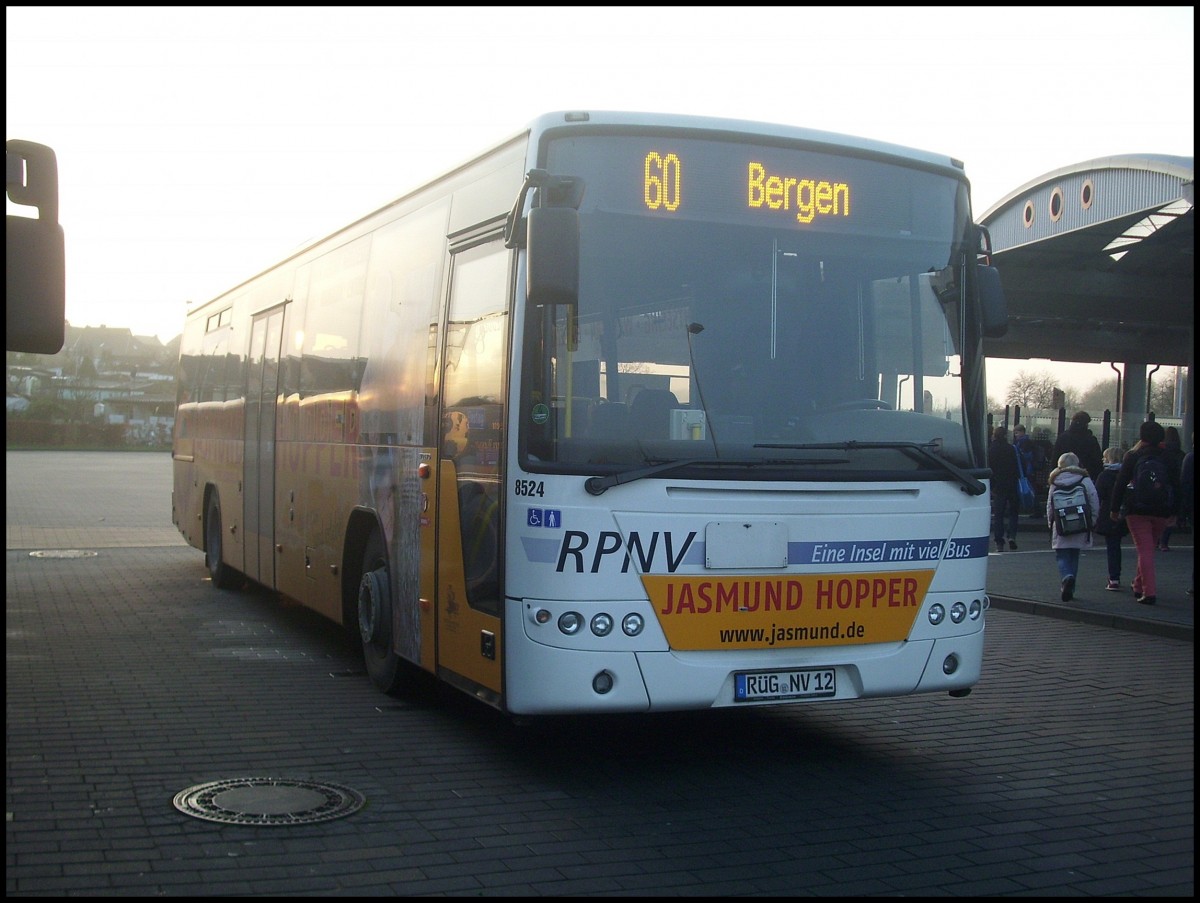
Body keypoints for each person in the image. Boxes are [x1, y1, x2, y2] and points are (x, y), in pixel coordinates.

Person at [1108, 420, 1181, 606]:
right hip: (1161, 510)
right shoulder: (1169, 457)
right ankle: (1138, 585)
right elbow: (1176, 486)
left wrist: (1114, 509)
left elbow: (1120, 484)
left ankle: (1149, 592)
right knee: (1148, 548)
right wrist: (1174, 511)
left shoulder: (1133, 456)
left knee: (1144, 550)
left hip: (1137, 509)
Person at [1046, 452, 1100, 602]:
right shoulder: (1084, 479)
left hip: (1061, 524)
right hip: (1081, 522)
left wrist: (1051, 523)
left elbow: (1050, 505)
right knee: (1074, 554)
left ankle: (1066, 577)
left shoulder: (1055, 481)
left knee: (1062, 555)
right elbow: (1094, 500)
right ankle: (1071, 587)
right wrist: (1092, 520)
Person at [1092, 445, 1128, 591]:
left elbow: (1098, 496)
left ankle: (1114, 578)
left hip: (1109, 514)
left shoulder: (1105, 476)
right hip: (1127, 513)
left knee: (1112, 546)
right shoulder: (1127, 474)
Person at [988, 425, 1021, 551]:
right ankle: (1012, 536)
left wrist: (992, 486)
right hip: (1012, 484)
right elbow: (1018, 466)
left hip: (998, 485)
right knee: (1013, 512)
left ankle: (999, 542)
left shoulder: (992, 450)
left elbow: (990, 468)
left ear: (994, 436)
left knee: (999, 515)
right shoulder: (1011, 448)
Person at [1051, 410, 1103, 481]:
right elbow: (1097, 460)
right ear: (1086, 424)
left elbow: (1055, 457)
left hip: (1064, 474)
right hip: (1085, 475)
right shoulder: (1090, 439)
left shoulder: (1063, 437)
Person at [1156, 425, 1185, 551]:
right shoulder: (1180, 454)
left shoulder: (1160, 452)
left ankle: (1156, 540)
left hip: (1160, 487)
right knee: (1170, 517)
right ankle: (1164, 543)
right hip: (1173, 487)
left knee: (1158, 515)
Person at [1012, 424, 1036, 513]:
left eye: (1017, 433)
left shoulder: (1023, 442)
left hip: (1026, 469)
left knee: (1027, 488)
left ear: (1022, 432)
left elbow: (1026, 456)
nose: (1016, 435)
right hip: (1028, 468)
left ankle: (1033, 508)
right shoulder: (1026, 441)